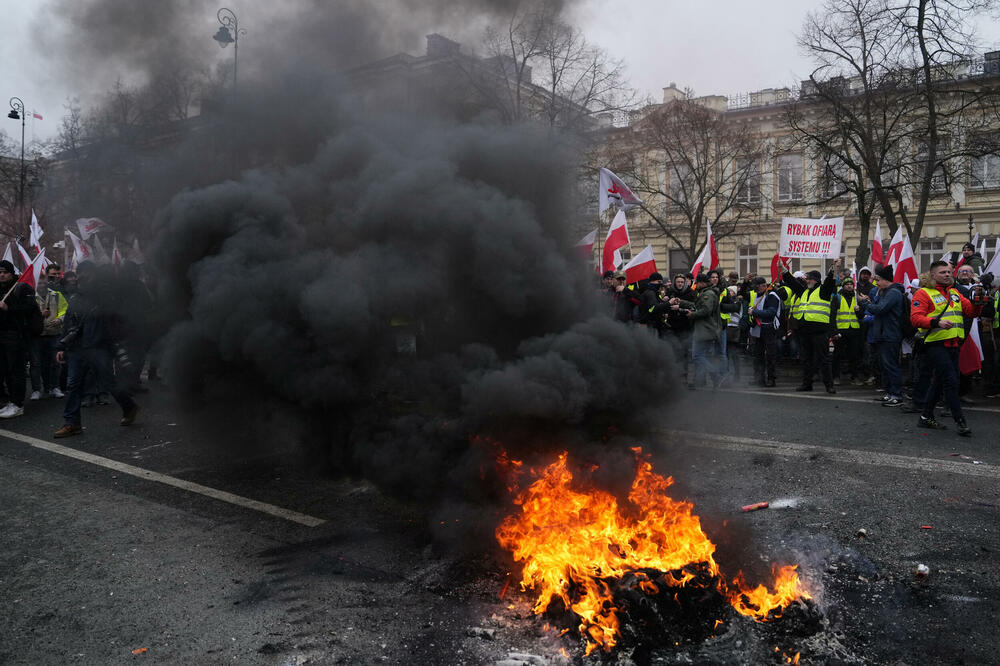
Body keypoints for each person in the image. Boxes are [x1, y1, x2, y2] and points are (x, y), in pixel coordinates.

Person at [53, 261, 139, 438]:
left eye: (85, 274)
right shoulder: (75, 297)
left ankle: (129, 406)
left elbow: (116, 320)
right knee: (73, 385)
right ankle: (72, 423)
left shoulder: (104, 295)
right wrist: (62, 346)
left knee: (109, 382)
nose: (81, 277)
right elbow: (69, 323)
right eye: (79, 274)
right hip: (77, 348)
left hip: (98, 346)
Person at [910, 260, 985, 435]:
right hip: (935, 344)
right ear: (933, 275)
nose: (947, 275)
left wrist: (979, 301)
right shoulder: (923, 293)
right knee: (951, 381)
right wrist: (937, 322)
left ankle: (925, 417)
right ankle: (960, 421)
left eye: (949, 272)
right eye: (943, 272)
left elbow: (972, 312)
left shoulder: (955, 293)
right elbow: (915, 319)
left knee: (939, 381)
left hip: (954, 344)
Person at [782, 260, 841, 393]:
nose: (806, 280)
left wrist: (834, 268)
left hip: (819, 331)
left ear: (815, 280)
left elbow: (830, 281)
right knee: (806, 359)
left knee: (824, 359)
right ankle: (807, 384)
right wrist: (783, 270)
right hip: (805, 330)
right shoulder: (804, 291)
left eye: (808, 279)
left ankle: (829, 385)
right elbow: (792, 282)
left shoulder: (824, 291)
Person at [857, 266, 906, 406]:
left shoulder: (893, 293)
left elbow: (879, 309)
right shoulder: (885, 292)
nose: (876, 283)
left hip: (890, 335)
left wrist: (865, 302)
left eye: (878, 280)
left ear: (886, 280)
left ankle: (896, 394)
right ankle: (890, 392)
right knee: (885, 366)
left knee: (891, 365)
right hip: (883, 334)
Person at [0, 260, 36, 418]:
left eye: (5, 272)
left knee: (16, 370)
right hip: (1, 335)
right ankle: (9, 400)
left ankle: (18, 404)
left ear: (11, 273)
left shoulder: (21, 287)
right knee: (4, 370)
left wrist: (9, 308)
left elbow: (30, 308)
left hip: (15, 335)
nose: (1, 275)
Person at [676, 272, 724, 389]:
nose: (696, 285)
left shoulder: (708, 294)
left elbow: (705, 310)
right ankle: (706, 379)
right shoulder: (705, 293)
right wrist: (681, 303)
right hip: (705, 329)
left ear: (702, 283)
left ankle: (715, 375)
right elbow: (697, 305)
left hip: (705, 330)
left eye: (697, 283)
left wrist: (692, 314)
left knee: (697, 356)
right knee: (700, 355)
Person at [29, 269, 68, 400]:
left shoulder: (57, 295)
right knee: (36, 363)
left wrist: (60, 319)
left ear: (47, 281)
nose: (42, 284)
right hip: (37, 335)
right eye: (39, 282)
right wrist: (39, 315)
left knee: (55, 362)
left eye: (44, 281)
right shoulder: (31, 297)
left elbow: (65, 310)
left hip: (54, 334)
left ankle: (54, 387)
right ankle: (36, 389)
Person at [747, 276, 781, 387]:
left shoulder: (771, 296)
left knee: (770, 355)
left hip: (769, 329)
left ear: (763, 286)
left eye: (756, 287)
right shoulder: (758, 296)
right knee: (758, 355)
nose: (755, 290)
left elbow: (771, 313)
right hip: (758, 330)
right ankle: (759, 378)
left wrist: (755, 313)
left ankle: (771, 378)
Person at [832, 277, 863, 385]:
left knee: (854, 355)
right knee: (838, 354)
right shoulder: (838, 297)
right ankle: (835, 376)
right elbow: (832, 316)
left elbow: (861, 316)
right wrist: (834, 331)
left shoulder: (856, 298)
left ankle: (854, 376)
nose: (849, 286)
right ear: (843, 286)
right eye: (847, 284)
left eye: (851, 284)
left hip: (854, 330)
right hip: (841, 330)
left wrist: (859, 311)